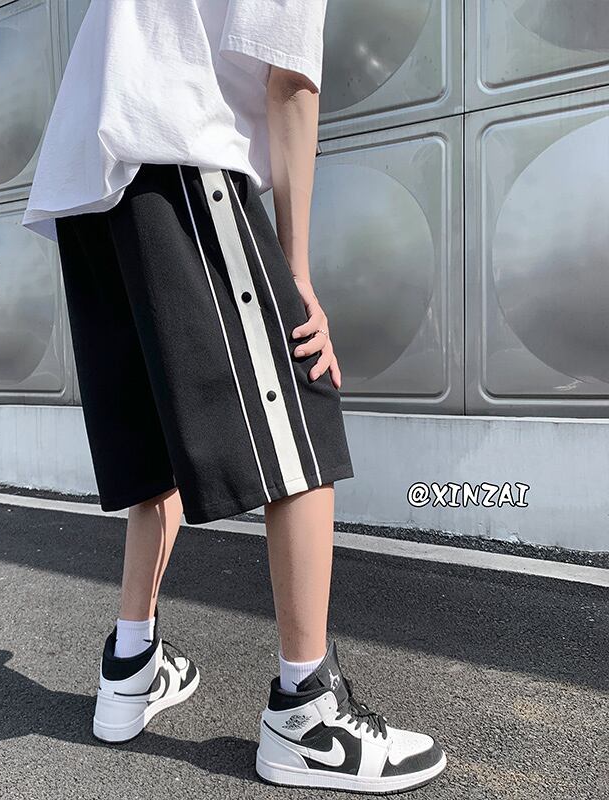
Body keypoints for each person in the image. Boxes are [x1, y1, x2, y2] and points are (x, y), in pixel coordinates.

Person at [22, 0, 446, 793]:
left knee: (155, 446)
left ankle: (130, 666)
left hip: (89, 186)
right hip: (180, 151)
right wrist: (297, 276)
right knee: (300, 405)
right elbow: (290, 82)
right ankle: (307, 714)